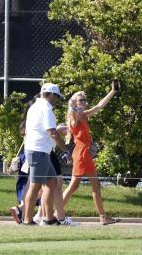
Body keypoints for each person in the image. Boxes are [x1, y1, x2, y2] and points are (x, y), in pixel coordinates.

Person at [62, 82, 119, 225]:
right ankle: (55, 213)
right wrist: (72, 106)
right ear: (75, 102)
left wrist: (112, 91)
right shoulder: (75, 116)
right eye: (81, 100)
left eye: (85, 100)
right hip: (82, 153)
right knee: (88, 185)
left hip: (83, 152)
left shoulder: (84, 115)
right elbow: (74, 119)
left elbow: (99, 106)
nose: (84, 102)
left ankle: (56, 212)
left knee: (78, 185)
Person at [19, 83, 70, 225]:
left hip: (41, 151)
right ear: (51, 94)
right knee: (35, 186)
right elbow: (52, 132)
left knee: (52, 182)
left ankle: (48, 218)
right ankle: (27, 220)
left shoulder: (35, 106)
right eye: (57, 96)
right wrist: (66, 150)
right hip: (38, 151)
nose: (57, 99)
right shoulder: (46, 108)